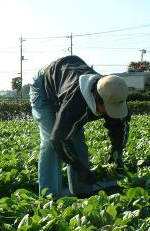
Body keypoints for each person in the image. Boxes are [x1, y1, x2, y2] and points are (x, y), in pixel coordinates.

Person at [29, 55, 130, 198]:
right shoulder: (75, 104)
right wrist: (80, 168)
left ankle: (82, 190)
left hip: (65, 79)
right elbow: (58, 140)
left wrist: (117, 152)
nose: (110, 113)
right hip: (44, 85)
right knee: (50, 144)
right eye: (107, 109)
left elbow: (120, 125)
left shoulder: (113, 91)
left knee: (78, 142)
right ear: (97, 100)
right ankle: (49, 198)